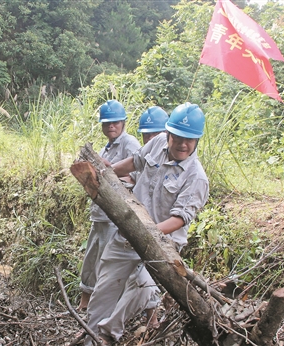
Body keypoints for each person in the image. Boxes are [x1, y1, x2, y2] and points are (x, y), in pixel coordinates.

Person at [85, 102, 209, 345]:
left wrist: (144, 232)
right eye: (179, 137)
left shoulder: (196, 177)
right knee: (104, 292)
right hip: (125, 238)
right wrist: (108, 173)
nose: (183, 144)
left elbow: (179, 219)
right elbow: (136, 161)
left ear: (197, 141)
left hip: (162, 245)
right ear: (170, 133)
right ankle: (90, 337)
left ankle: (108, 335)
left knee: (144, 287)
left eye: (190, 140)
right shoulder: (158, 142)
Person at [77, 100, 141, 311]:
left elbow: (136, 177)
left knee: (107, 260)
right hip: (101, 213)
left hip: (116, 214)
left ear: (123, 122)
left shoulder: (129, 143)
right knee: (92, 255)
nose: (111, 126)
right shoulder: (107, 146)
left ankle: (105, 305)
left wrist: (109, 176)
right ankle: (85, 301)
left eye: (115, 122)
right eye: (107, 123)